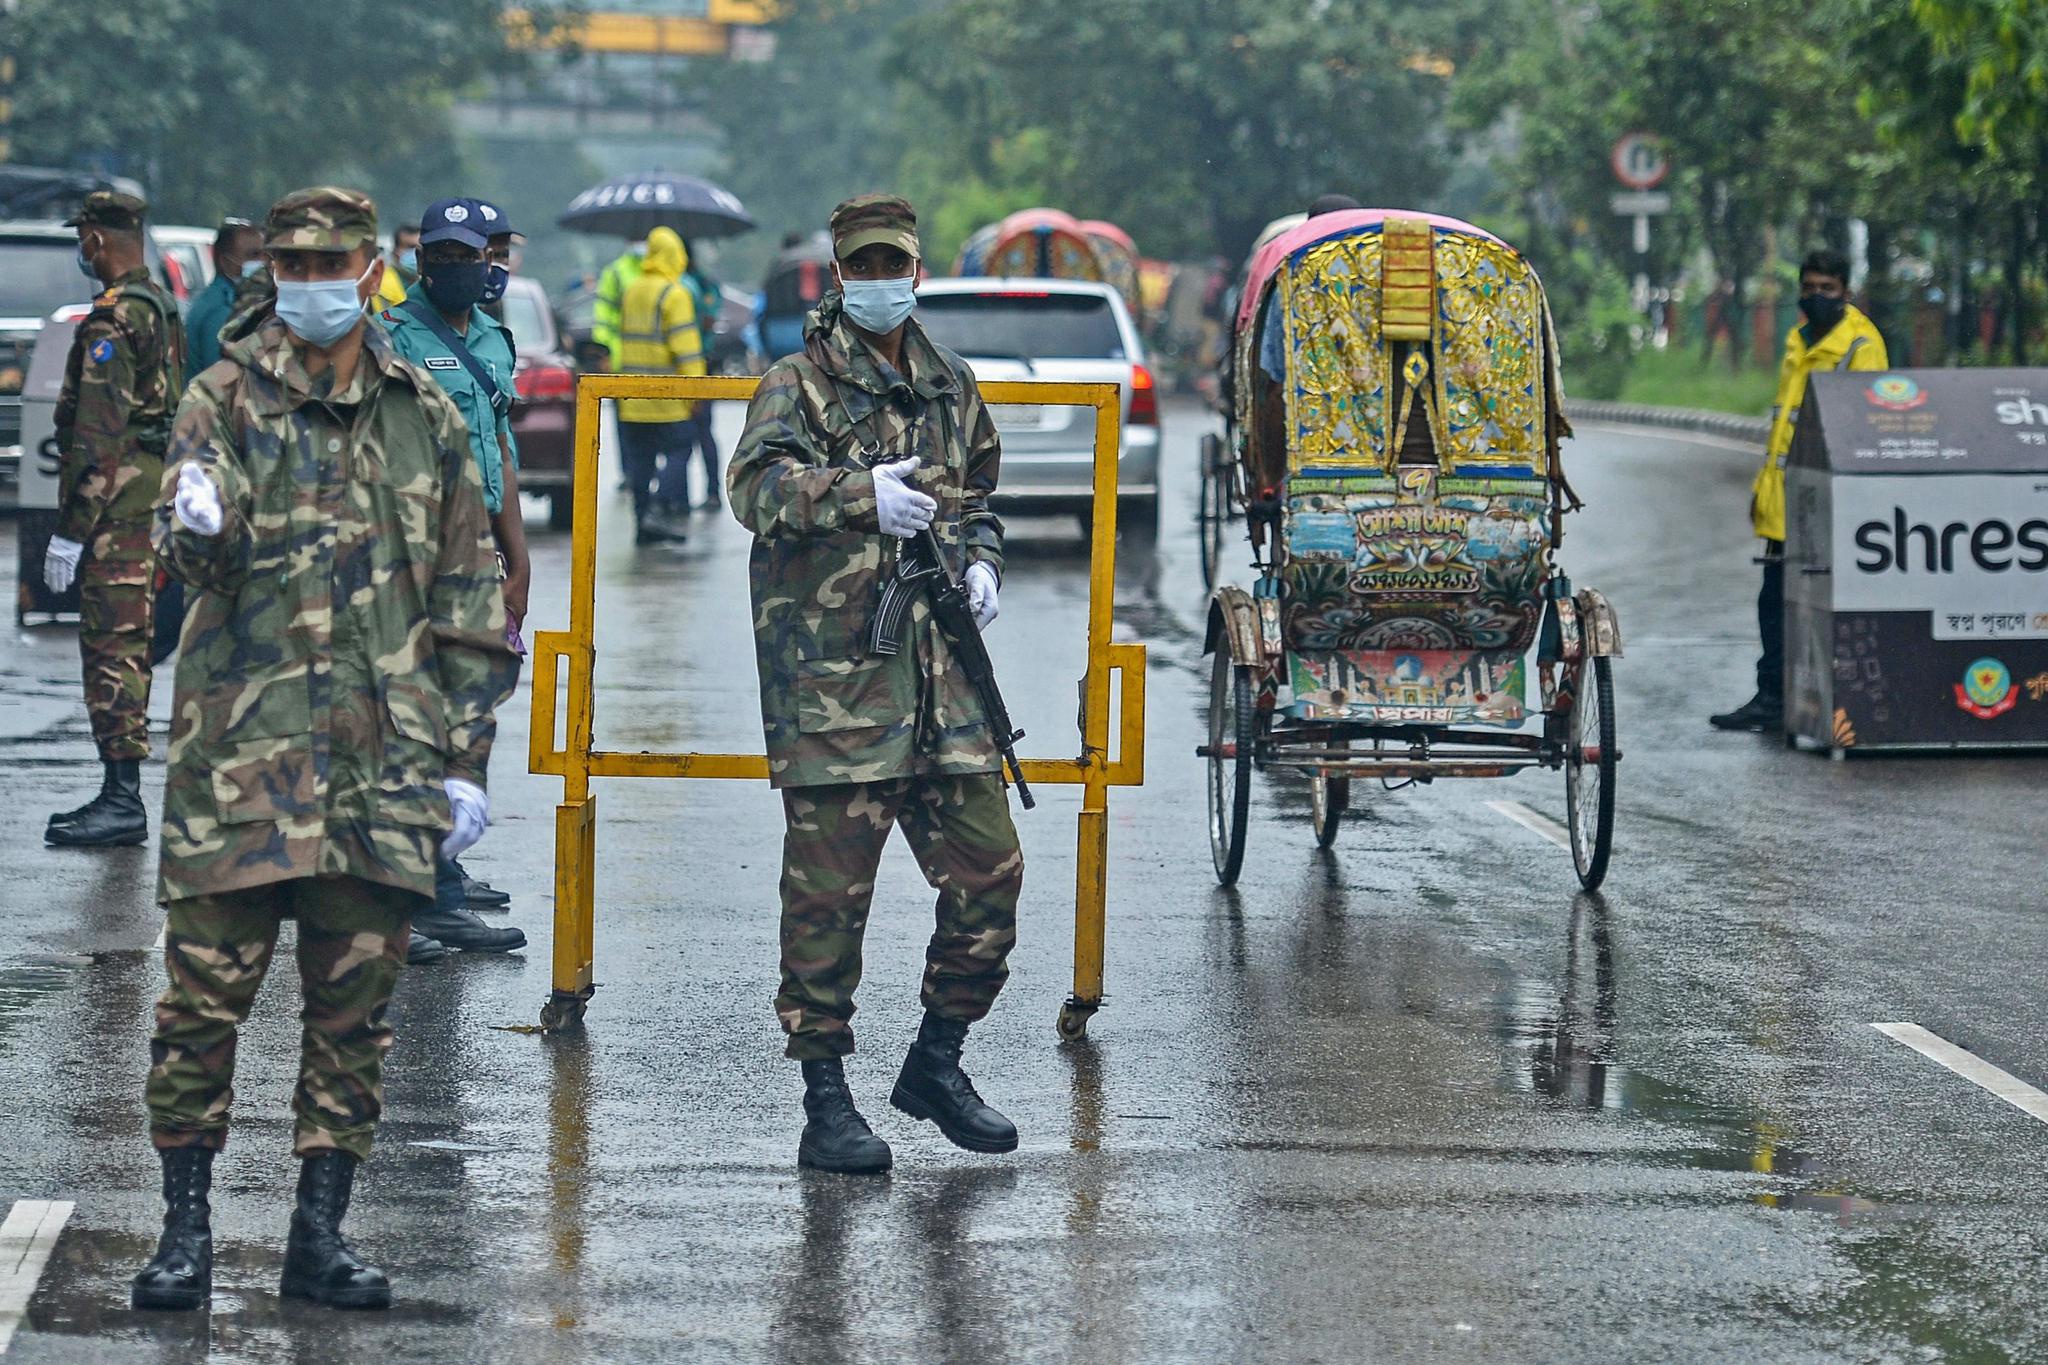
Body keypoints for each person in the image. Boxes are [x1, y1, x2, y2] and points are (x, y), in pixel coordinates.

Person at [132, 186, 518, 1313]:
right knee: (201, 1011)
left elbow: (467, 595)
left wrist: (466, 760)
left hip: (381, 768)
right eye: (290, 261)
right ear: (274, 268)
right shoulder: (219, 397)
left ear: (367, 269)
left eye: (331, 261)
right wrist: (193, 519)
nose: (310, 280)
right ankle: (182, 1233)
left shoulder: (422, 414)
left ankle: (319, 1235)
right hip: (238, 766)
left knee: (351, 1019)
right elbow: (189, 550)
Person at [728, 193, 1023, 1175]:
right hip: (837, 691)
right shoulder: (797, 384)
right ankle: (824, 1103)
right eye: (860, 267)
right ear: (836, 275)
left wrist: (979, 559)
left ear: (916, 270)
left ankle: (936, 1063)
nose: (878, 281)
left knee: (991, 873)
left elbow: (978, 493)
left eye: (891, 264)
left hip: (942, 688)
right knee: (828, 906)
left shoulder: (947, 382)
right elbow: (753, 489)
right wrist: (859, 497)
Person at [378, 197, 530, 958]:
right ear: (419, 262)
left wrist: (520, 561)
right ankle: (417, 898)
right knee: (412, 721)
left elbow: (499, 447)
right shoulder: (389, 338)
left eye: (467, 256)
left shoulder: (496, 340)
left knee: (467, 714)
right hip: (413, 555)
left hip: (477, 555)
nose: (453, 268)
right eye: (438, 257)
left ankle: (436, 879)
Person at [42, 190, 187, 849]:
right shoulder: (159, 307)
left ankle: (122, 797)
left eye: (84, 236)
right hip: (151, 497)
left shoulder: (112, 321)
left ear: (98, 239)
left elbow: (96, 435)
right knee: (130, 643)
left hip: (116, 509)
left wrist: (72, 531)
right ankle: (118, 791)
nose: (83, 248)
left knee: (112, 647)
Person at [1710, 248, 1888, 732]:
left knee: (1824, 603)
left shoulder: (1860, 344)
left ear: (1846, 293)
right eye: (1809, 287)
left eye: (1827, 289)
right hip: (1785, 496)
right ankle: (1773, 696)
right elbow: (1784, 426)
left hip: (1828, 499)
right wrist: (1762, 489)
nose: (1816, 296)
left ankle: (1825, 698)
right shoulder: (1798, 339)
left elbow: (1862, 431)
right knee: (1774, 602)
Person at [616, 226, 704, 545]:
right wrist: (696, 390)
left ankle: (643, 523)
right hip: (667, 398)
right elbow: (686, 348)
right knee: (680, 450)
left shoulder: (632, 289)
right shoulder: (674, 293)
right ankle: (657, 508)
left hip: (633, 397)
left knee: (641, 461)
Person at [677, 239, 726, 509]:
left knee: (702, 430)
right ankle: (679, 497)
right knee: (680, 436)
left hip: (700, 363)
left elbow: (710, 318)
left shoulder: (700, 283)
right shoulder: (672, 283)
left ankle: (712, 491)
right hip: (676, 366)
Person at [183, 217, 262, 381]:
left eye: (265, 254)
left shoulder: (237, 301)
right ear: (226, 262)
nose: (262, 263)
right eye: (253, 255)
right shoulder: (220, 310)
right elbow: (222, 380)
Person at [593, 235, 643, 371]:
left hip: (651, 355)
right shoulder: (615, 272)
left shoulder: (659, 271)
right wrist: (603, 350)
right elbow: (603, 313)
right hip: (620, 351)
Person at [373, 221, 421, 310]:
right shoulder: (380, 284)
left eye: (419, 248)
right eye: (411, 247)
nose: (416, 254)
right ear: (395, 251)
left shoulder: (429, 282)